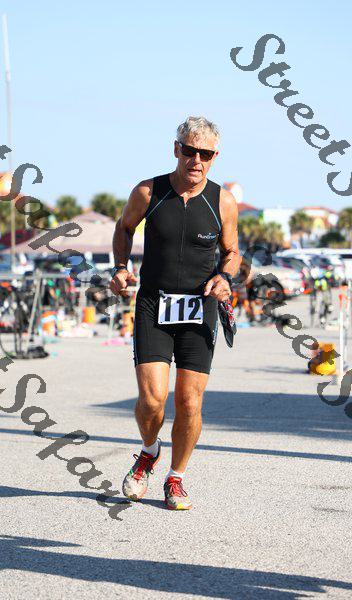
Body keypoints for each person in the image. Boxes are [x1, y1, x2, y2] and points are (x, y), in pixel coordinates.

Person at [110, 116, 241, 510]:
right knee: (152, 400)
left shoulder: (222, 201)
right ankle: (149, 451)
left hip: (200, 308)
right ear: (176, 149)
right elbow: (124, 228)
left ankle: (176, 477)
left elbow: (232, 252)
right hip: (154, 304)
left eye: (206, 154)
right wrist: (120, 267)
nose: (196, 160)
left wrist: (224, 278)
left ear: (215, 157)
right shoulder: (148, 191)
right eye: (189, 150)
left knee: (189, 403)